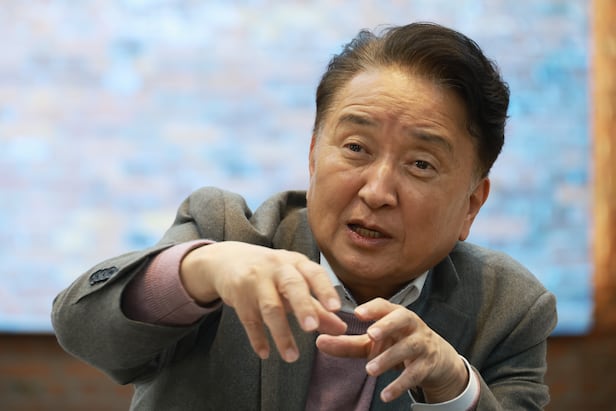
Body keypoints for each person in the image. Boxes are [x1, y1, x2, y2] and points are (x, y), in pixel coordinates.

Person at [52, 22, 557, 410]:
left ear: (471, 205)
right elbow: (81, 328)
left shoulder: (508, 308)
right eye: (356, 147)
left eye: (420, 164)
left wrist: (453, 387)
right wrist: (202, 270)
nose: (377, 192)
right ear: (314, 156)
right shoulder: (224, 232)